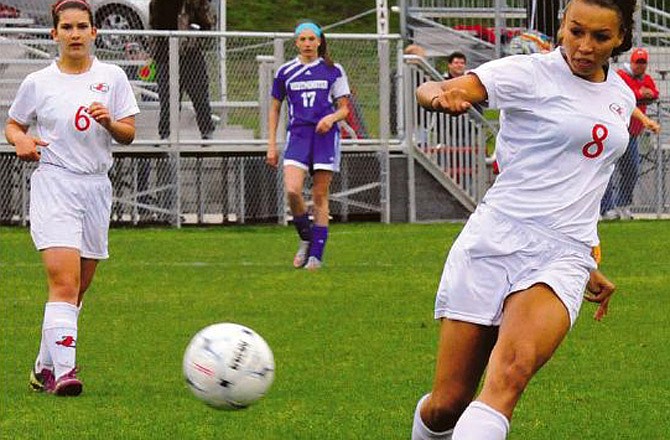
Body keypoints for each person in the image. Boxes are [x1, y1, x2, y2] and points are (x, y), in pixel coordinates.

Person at [411, 0, 636, 438]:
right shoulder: (527, 72)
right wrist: (441, 96)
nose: (584, 46)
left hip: (564, 256)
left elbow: (583, 181)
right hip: (494, 240)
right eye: (576, 31)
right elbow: (436, 89)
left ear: (621, 38)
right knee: (448, 405)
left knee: (508, 377)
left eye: (600, 37)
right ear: (562, 27)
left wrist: (588, 258)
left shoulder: (622, 96)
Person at [4, 0, 139, 396]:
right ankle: (66, 372)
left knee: (78, 288)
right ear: (55, 34)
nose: (75, 34)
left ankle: (42, 367)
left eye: (82, 26)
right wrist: (22, 140)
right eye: (67, 27)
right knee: (63, 281)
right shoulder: (38, 82)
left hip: (96, 186)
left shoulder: (112, 76)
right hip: (55, 183)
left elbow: (129, 132)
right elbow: (14, 125)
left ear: (94, 33)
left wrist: (110, 122)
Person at [266, 21, 350, 270]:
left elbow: (344, 108)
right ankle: (306, 237)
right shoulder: (285, 72)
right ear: (296, 43)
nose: (307, 44)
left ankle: (316, 255)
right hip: (299, 135)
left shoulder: (333, 70)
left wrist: (330, 118)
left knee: (319, 196)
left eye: (311, 39)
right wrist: (271, 144)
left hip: (325, 137)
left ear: (319, 41)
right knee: (292, 190)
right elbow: (274, 108)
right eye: (302, 39)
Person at [601, 47, 660, 220]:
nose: (640, 66)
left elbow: (654, 93)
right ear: (631, 62)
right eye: (637, 62)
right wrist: (640, 93)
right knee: (608, 171)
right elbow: (625, 97)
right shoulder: (621, 76)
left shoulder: (646, 78)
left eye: (643, 63)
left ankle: (623, 204)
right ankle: (606, 208)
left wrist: (644, 94)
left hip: (632, 134)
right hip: (615, 131)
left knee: (632, 169)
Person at [149, 0, 215, 140]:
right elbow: (152, 26)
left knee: (200, 96)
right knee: (168, 99)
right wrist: (152, 50)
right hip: (164, 56)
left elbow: (208, 24)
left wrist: (195, 35)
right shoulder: (156, 4)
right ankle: (165, 135)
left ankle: (207, 132)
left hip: (190, 54)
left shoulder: (195, 3)